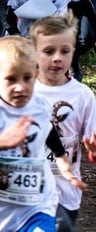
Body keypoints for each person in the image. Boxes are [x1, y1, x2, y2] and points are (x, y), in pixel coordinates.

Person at [0, 35, 88, 232]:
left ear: (35, 75)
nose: (20, 87)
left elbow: (47, 129)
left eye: (27, 78)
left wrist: (61, 158)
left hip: (38, 208)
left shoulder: (39, 104)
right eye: (11, 79)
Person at [29, 15, 96, 231]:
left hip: (65, 192)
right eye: (49, 52)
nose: (57, 58)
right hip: (26, 190)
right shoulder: (22, 91)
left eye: (65, 51)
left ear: (73, 52)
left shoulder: (83, 95)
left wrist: (94, 148)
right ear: (33, 53)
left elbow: (91, 139)